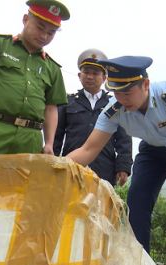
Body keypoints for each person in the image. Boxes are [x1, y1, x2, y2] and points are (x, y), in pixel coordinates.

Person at [66, 56, 166, 265]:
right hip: (151, 151)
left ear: (145, 85)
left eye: (127, 93)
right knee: (136, 204)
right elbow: (88, 150)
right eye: (117, 93)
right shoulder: (114, 110)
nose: (122, 100)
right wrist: (57, 166)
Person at [0, 0, 70, 154]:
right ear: (25, 19)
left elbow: (50, 108)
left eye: (51, 33)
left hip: (30, 139)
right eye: (40, 28)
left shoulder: (52, 68)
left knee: (24, 179)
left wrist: (49, 143)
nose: (44, 36)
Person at [53, 49, 132, 187]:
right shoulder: (67, 102)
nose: (90, 76)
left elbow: (123, 138)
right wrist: (51, 160)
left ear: (104, 78)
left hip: (104, 168)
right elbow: (56, 135)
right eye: (86, 72)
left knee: (100, 207)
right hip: (72, 167)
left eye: (95, 73)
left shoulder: (114, 105)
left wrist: (123, 166)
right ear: (79, 75)